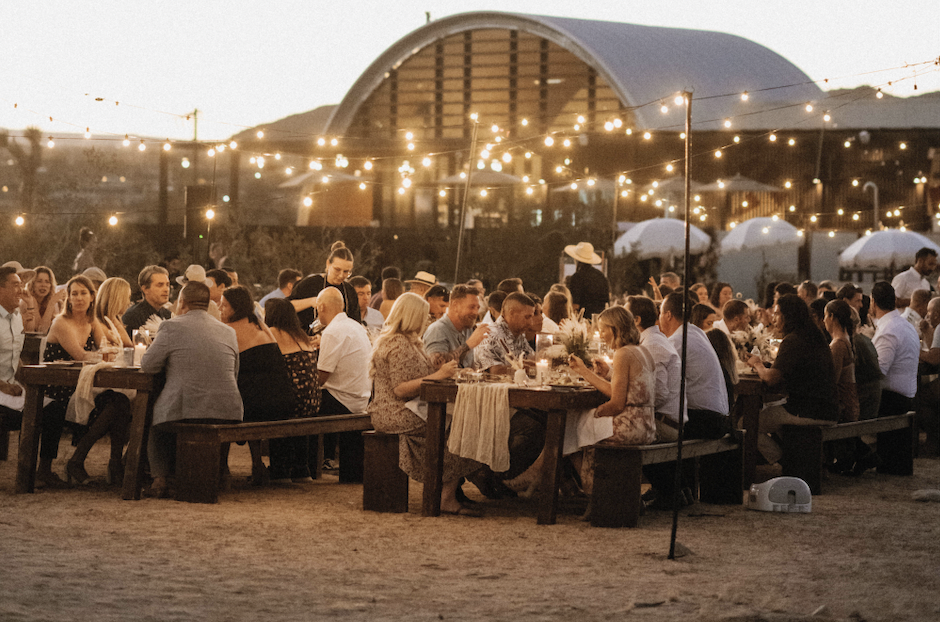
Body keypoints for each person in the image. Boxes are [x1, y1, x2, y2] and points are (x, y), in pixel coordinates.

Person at [368, 293, 480, 515]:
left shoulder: (410, 341)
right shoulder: (398, 344)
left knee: (462, 425)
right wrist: (439, 375)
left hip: (407, 408)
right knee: (460, 430)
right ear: (413, 316)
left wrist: (450, 372)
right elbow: (400, 389)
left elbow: (427, 373)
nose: (428, 320)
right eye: (425, 315)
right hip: (395, 412)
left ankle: (445, 491)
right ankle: (444, 497)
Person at [141, 282, 243, 498]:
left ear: (182, 303)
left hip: (187, 409)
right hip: (228, 409)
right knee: (176, 409)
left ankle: (159, 478)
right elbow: (234, 372)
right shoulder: (228, 331)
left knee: (155, 419)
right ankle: (220, 472)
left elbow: (148, 365)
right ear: (208, 304)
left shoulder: (171, 326)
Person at [45, 275, 131, 486]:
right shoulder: (61, 323)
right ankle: (77, 463)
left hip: (85, 384)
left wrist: (108, 350)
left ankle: (112, 464)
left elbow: (108, 350)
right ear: (68, 297)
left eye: (84, 293)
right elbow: (81, 356)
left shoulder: (93, 322)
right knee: (113, 405)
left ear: (93, 297)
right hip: (60, 387)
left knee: (121, 401)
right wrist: (106, 354)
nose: (79, 298)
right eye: (74, 293)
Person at [567, 306, 656, 502]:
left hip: (629, 426)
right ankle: (603, 492)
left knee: (571, 428)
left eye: (603, 329)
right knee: (580, 425)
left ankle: (594, 494)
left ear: (615, 329)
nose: (601, 334)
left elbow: (616, 403)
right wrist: (608, 373)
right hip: (647, 423)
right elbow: (631, 387)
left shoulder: (623, 354)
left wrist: (584, 372)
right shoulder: (643, 351)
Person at [746, 294, 839, 465]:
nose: (773, 318)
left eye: (777, 314)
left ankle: (784, 461)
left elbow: (771, 379)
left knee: (747, 422)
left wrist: (758, 364)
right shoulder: (813, 335)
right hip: (826, 406)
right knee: (772, 413)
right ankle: (799, 461)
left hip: (807, 409)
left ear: (788, 315)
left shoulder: (793, 340)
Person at [220, 286, 299, 484]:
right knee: (247, 393)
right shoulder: (259, 323)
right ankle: (256, 464)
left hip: (260, 405)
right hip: (282, 400)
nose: (220, 309)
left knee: (220, 407)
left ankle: (221, 468)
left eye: (224, 305)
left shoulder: (231, 330)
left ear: (236, 308)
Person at [0, 266, 69, 488]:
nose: (21, 289)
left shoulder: (16, 318)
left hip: (13, 386)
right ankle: (22, 471)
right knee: (26, 414)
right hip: (1, 389)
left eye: (21, 284)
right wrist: (3, 385)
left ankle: (43, 469)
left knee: (54, 407)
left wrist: (26, 380)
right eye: (15, 285)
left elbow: (14, 358)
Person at [315, 287, 372, 478]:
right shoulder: (356, 326)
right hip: (362, 398)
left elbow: (321, 377)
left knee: (299, 405)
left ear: (320, 307)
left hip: (343, 400)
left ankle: (302, 467)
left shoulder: (332, 331)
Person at [658, 292, 730, 438]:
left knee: (651, 420)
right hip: (720, 417)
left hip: (705, 420)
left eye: (660, 313)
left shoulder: (678, 341)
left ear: (668, 315)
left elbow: (658, 382)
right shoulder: (696, 332)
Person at [265, 297, 321, 481]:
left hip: (290, 402)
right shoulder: (301, 335)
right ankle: (301, 469)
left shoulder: (272, 333)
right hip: (312, 401)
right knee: (295, 412)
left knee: (274, 404)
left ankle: (279, 469)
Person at [626, 296, 682, 440]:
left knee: (587, 425)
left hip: (663, 424)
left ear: (636, 320)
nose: (621, 321)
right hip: (658, 419)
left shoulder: (652, 345)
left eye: (624, 316)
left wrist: (625, 403)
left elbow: (658, 394)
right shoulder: (653, 339)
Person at [870, 281, 921, 417]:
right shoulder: (906, 325)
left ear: (873, 302)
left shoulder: (888, 330)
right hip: (907, 398)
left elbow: (878, 372)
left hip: (892, 402)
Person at [290, 242, 361, 328]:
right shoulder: (310, 283)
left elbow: (356, 323)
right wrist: (311, 301)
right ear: (328, 264)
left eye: (346, 272)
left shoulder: (350, 291)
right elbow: (287, 307)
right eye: (337, 270)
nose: (341, 275)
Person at [423, 284, 490, 369]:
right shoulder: (437, 330)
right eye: (472, 307)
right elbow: (436, 366)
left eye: (477, 308)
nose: (476, 312)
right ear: (455, 305)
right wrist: (468, 345)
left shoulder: (467, 329)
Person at [475, 292, 535, 374]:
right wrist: (527, 368)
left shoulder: (518, 333)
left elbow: (531, 359)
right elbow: (495, 372)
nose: (531, 323)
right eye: (527, 317)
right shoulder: (489, 335)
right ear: (511, 313)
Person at [564, 242, 609, 317]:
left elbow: (575, 306)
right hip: (600, 320)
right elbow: (606, 304)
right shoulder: (601, 276)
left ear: (576, 259)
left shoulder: (576, 277)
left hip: (583, 321)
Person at [122, 265, 171, 331]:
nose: (166, 289)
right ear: (145, 289)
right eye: (160, 285)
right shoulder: (132, 316)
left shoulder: (168, 315)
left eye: (167, 285)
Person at [20, 266, 65, 334]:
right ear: (32, 284)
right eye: (39, 281)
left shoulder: (54, 302)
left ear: (51, 285)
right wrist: (51, 303)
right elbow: (41, 331)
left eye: (47, 282)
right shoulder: (27, 301)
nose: (43, 285)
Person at [95, 277, 134, 349]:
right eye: (127, 297)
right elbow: (128, 345)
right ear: (117, 298)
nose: (129, 302)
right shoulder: (99, 324)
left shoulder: (114, 319)